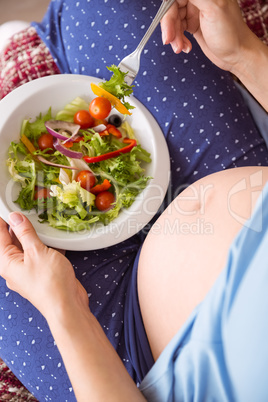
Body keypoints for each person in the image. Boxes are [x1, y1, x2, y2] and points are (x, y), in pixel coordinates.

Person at [0, 0, 268, 400]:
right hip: (232, 184)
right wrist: (245, 56)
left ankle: (25, 44)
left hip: (126, 352)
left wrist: (64, 307)